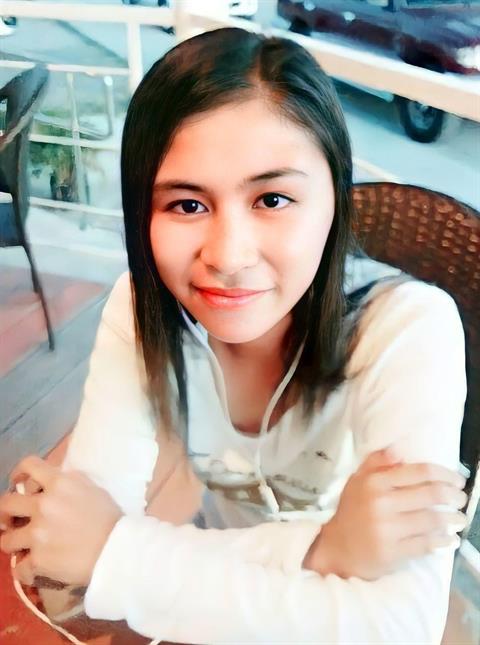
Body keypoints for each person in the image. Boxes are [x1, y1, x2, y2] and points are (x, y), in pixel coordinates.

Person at [0, 27, 470, 644]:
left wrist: (118, 554)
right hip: (219, 597)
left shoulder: (408, 327)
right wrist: (325, 550)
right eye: (187, 205)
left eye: (272, 199)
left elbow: (400, 625)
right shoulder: (142, 308)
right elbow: (73, 556)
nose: (227, 256)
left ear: (334, 201)